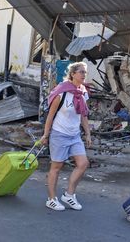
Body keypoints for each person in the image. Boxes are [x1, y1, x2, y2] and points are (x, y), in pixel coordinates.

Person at [40, 62, 92, 211]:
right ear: (73, 74)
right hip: (59, 134)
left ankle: (69, 195)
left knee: (83, 164)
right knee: (56, 167)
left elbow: (83, 115)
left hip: (74, 135)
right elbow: (50, 115)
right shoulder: (62, 92)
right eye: (81, 72)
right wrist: (46, 134)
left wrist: (87, 133)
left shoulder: (82, 91)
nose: (83, 75)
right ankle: (51, 199)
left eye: (85, 72)